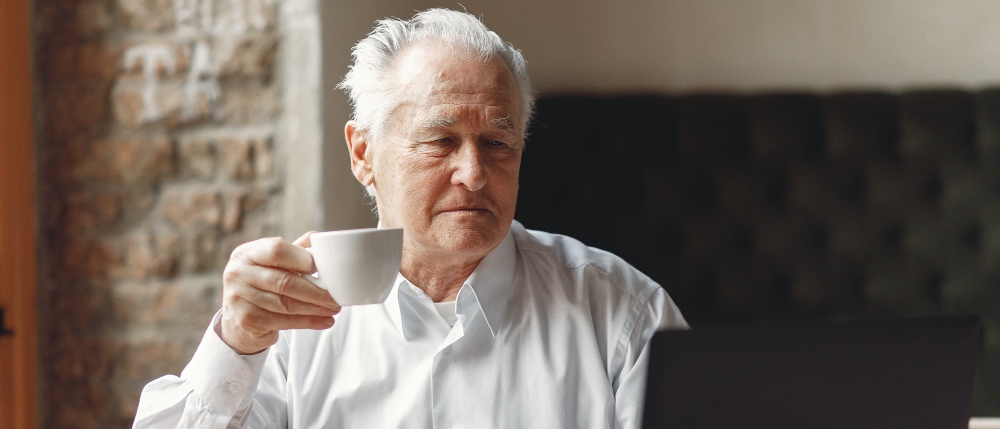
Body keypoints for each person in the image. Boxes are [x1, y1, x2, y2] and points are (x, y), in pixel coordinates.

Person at [133, 8, 686, 429]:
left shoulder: (620, 313)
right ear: (363, 154)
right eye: (439, 140)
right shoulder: (289, 322)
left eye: (498, 142)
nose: (472, 172)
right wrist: (236, 342)